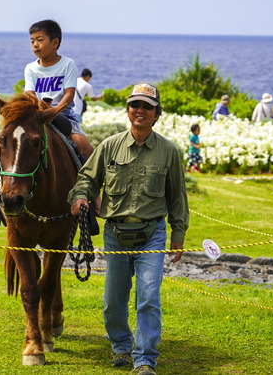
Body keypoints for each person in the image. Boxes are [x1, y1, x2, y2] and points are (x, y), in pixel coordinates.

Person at [68, 83, 189, 375]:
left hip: (152, 235)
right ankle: (121, 346)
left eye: (147, 106)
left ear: (157, 114)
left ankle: (145, 359)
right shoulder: (109, 146)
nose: (140, 111)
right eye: (135, 105)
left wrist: (178, 236)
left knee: (148, 297)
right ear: (128, 111)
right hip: (115, 234)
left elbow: (177, 197)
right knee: (113, 301)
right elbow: (87, 179)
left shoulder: (169, 152)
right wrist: (81, 197)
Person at [0, 19, 95, 192]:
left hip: (63, 114)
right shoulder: (30, 68)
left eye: (40, 39)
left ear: (55, 42)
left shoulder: (67, 64)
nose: (35, 44)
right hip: (35, 115)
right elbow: (30, 95)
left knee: (85, 148)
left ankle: (93, 194)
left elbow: (69, 95)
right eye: (32, 41)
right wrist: (38, 108)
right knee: (1, 139)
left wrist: (54, 110)